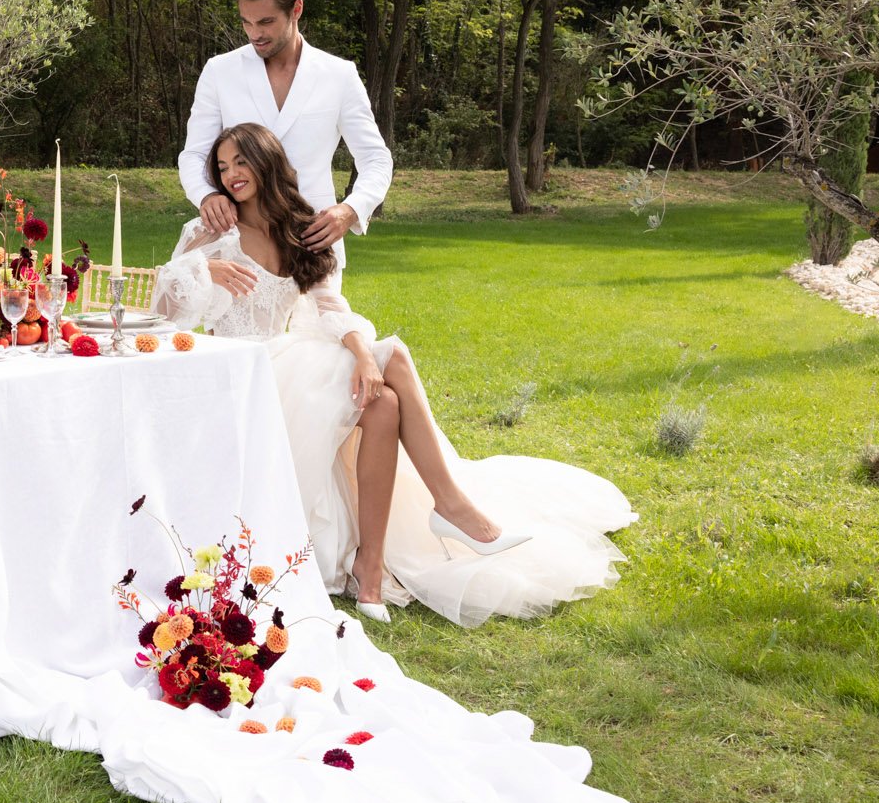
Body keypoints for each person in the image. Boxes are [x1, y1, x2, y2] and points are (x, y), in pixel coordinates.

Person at [155, 122, 630, 627]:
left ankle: (372, 567)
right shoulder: (207, 230)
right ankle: (450, 506)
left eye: (240, 162)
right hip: (240, 373)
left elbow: (327, 304)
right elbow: (164, 314)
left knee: (383, 402)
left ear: (266, 162)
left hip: (289, 360)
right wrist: (201, 271)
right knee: (394, 358)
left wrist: (362, 355)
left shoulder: (305, 228)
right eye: (222, 167)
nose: (231, 176)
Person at [177, 0, 392, 291]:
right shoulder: (219, 72)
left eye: (265, 21)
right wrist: (206, 196)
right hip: (240, 252)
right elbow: (194, 155)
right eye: (246, 22)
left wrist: (350, 210)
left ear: (297, 9)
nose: (254, 34)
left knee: (324, 341)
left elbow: (376, 159)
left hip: (314, 247)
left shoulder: (339, 75)